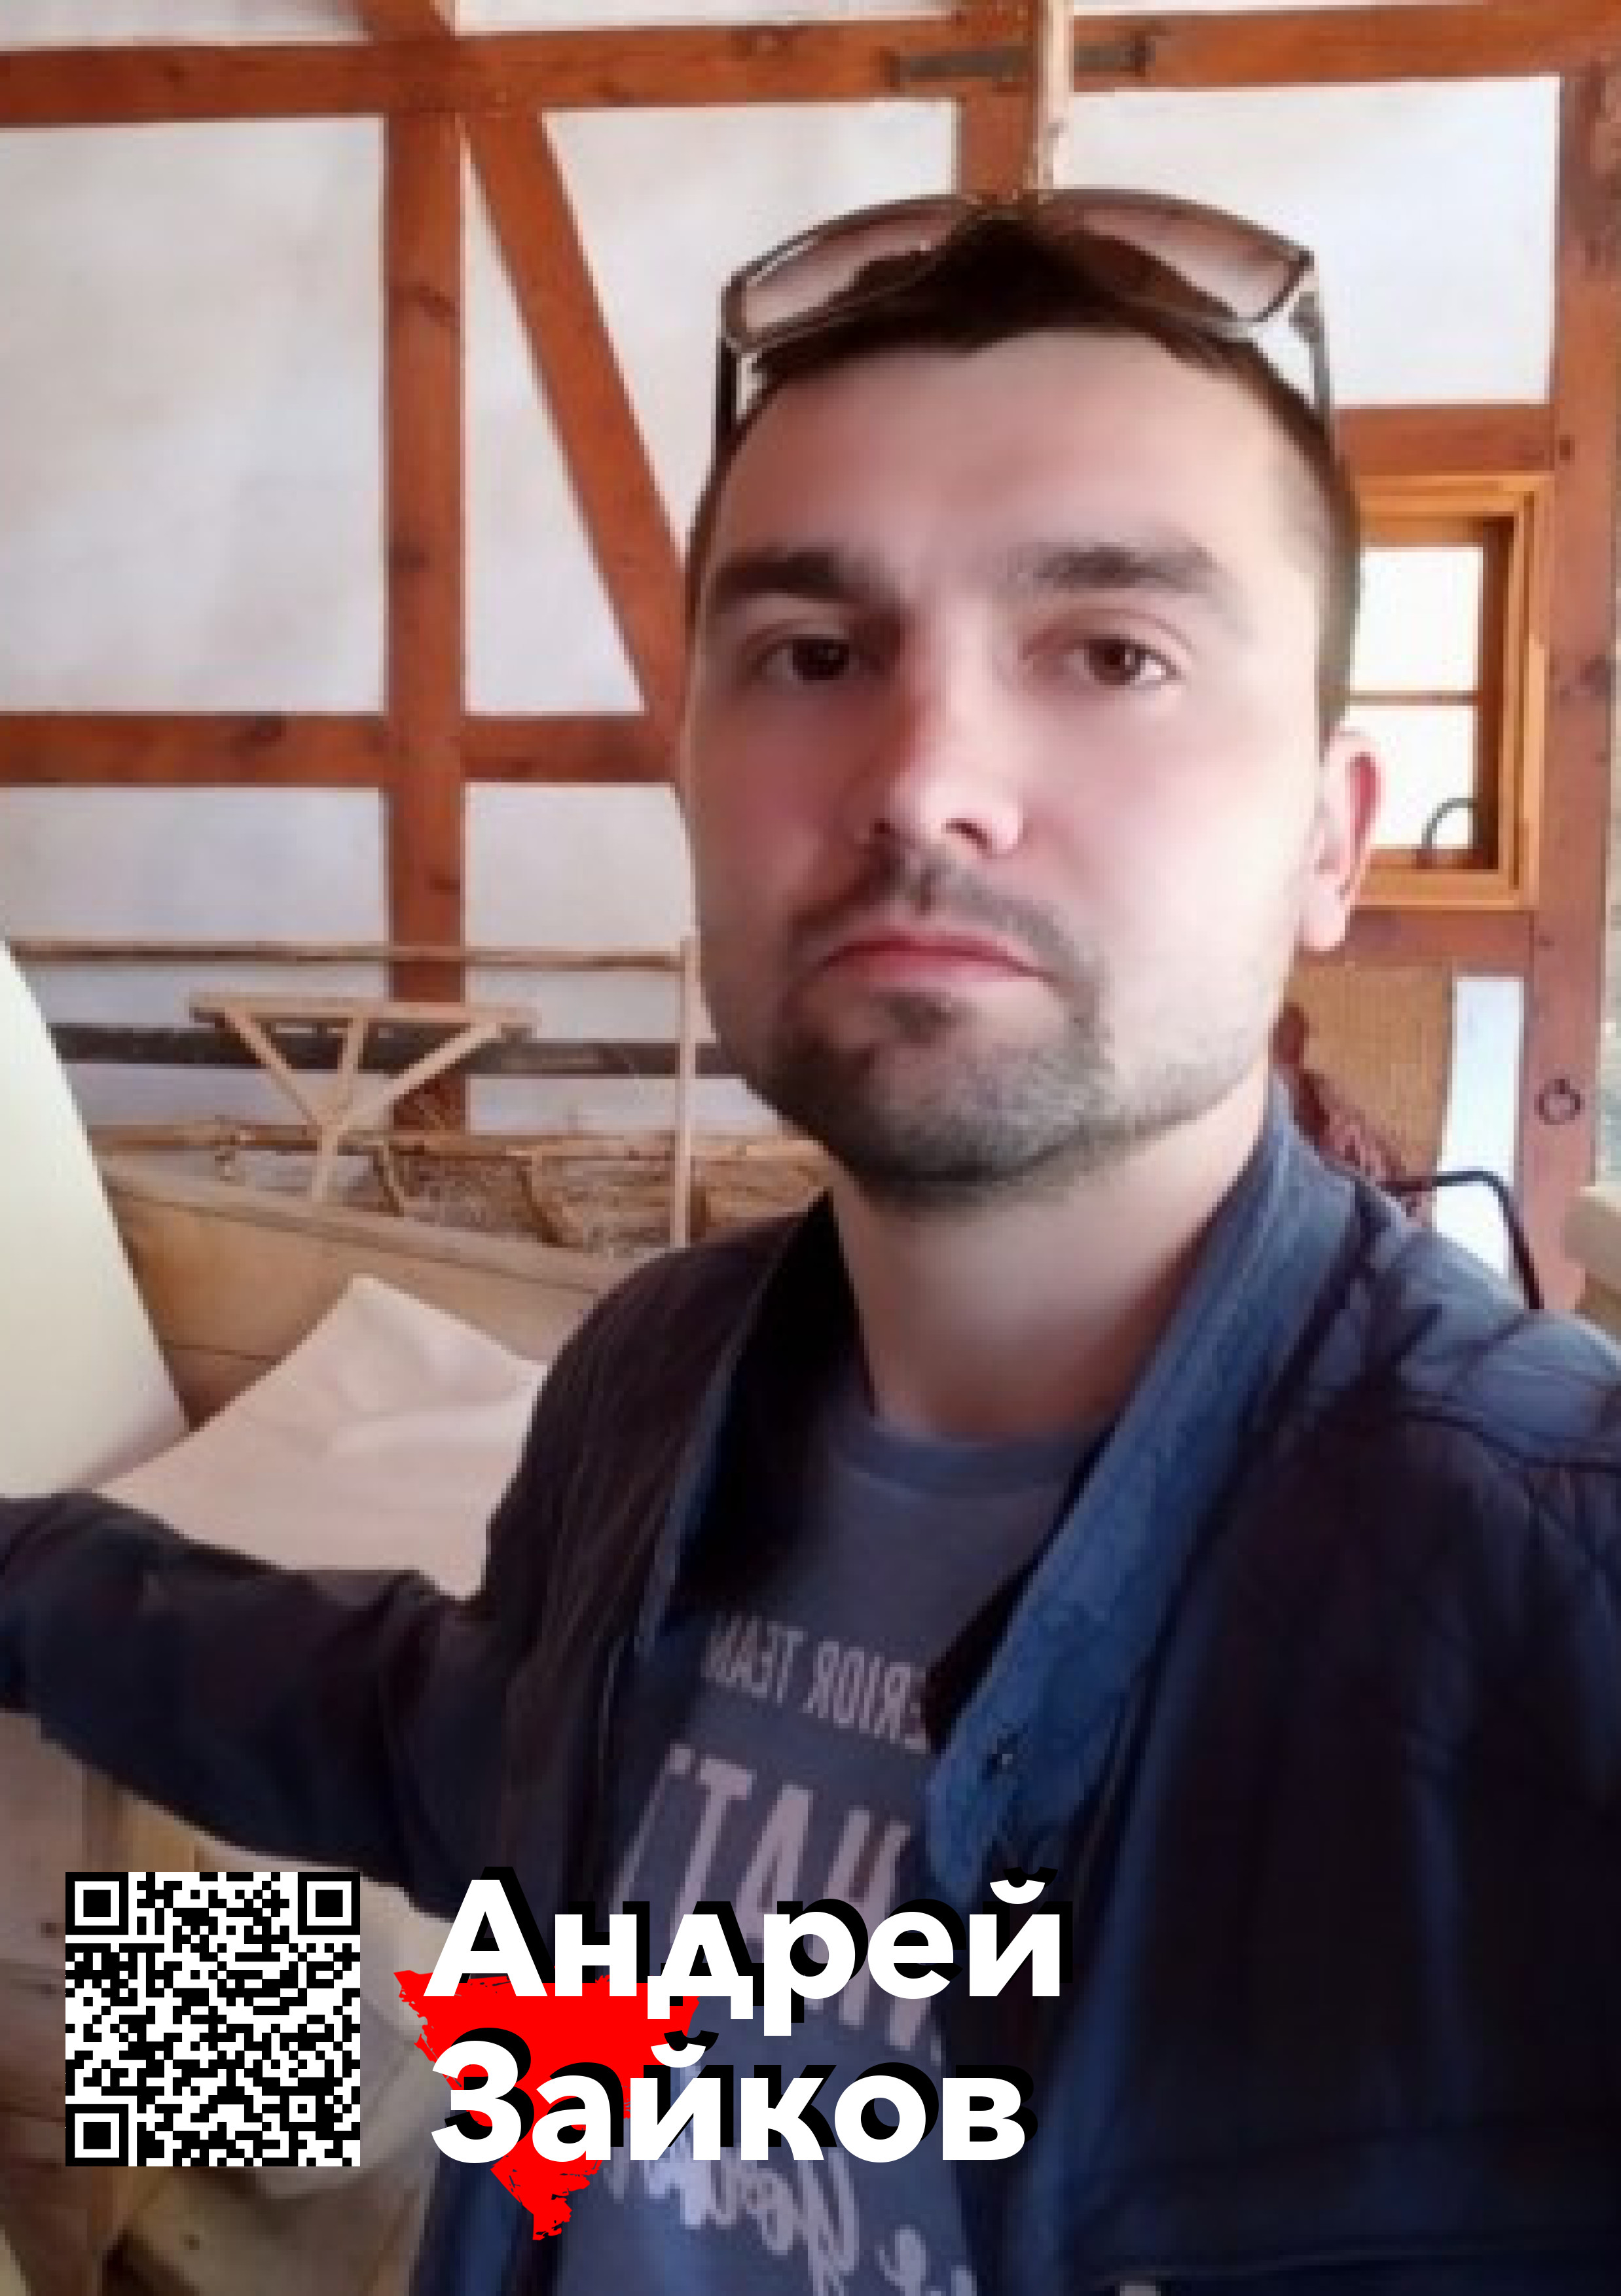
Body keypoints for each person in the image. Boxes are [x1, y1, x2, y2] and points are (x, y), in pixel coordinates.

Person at [5, 193, 1621, 2295]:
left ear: (1329, 836)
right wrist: (29, 1573)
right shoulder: (651, 1366)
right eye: (813, 655)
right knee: (148, 1979)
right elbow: (470, 1741)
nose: (925, 776)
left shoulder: (1552, 1594)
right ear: (688, 777)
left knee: (171, 2009)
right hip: (504, 2116)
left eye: (1110, 652)